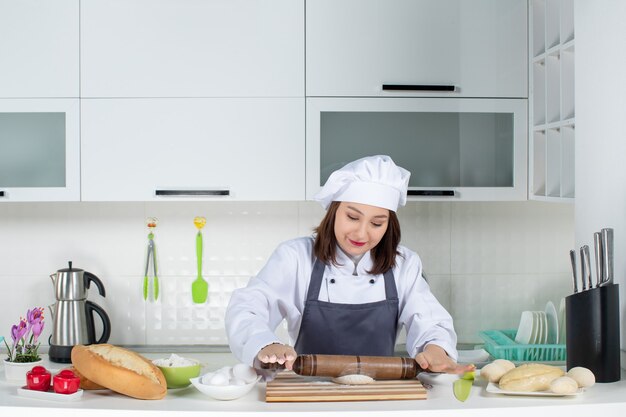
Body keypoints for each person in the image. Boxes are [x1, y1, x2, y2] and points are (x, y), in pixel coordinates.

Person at [225, 155, 473, 375]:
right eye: (352, 217)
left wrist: (436, 348)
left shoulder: (404, 264)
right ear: (334, 211)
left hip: (378, 395)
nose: (362, 233)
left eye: (377, 223)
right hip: (308, 393)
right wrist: (265, 344)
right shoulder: (295, 257)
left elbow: (430, 319)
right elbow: (248, 306)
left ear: (389, 225)